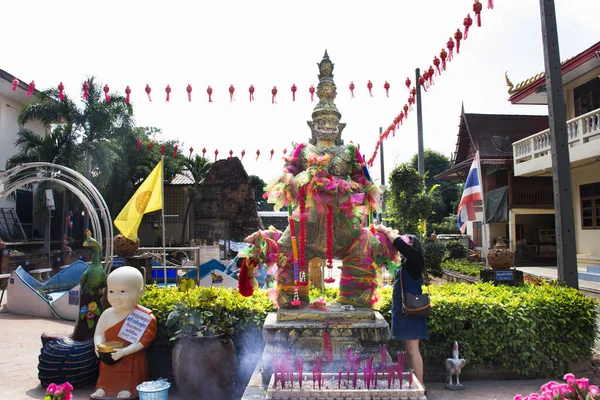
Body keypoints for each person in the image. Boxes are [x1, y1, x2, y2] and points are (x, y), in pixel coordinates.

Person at [91, 267, 157, 399]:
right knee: (107, 372)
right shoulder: (107, 314)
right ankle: (103, 387)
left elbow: (143, 342)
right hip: (109, 355)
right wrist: (98, 345)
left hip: (131, 356)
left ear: (140, 293)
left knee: (131, 371)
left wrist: (124, 352)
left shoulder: (144, 316)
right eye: (111, 291)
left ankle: (129, 388)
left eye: (122, 291)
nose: (116, 297)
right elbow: (99, 333)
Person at [376, 225, 428, 391]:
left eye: (408, 240)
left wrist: (384, 229)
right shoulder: (407, 263)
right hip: (404, 312)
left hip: (411, 313)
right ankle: (412, 382)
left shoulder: (416, 259)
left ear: (412, 244)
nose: (404, 242)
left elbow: (398, 243)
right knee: (407, 349)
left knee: (413, 350)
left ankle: (421, 385)